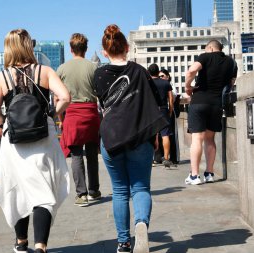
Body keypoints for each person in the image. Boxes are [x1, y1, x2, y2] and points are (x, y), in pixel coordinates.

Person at [0, 28, 71, 253]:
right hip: (42, 136)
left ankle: (21, 242)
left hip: (13, 140)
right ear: (28, 45)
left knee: (17, 189)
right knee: (44, 191)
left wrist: (5, 121)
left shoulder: (1, 76)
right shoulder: (44, 71)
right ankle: (41, 245)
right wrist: (52, 115)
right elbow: (65, 97)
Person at [94, 24, 165, 253]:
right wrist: (154, 134)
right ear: (127, 47)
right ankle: (142, 223)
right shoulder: (139, 70)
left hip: (112, 138)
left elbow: (101, 106)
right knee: (141, 187)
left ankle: (123, 243)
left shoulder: (99, 74)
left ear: (105, 51)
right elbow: (153, 102)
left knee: (120, 190)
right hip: (139, 136)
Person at [57, 33, 101, 207]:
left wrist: (61, 118)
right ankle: (94, 190)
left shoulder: (62, 69)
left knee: (76, 155)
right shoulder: (93, 68)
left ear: (71, 48)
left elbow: (57, 98)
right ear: (86, 49)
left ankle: (81, 194)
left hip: (72, 114)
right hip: (90, 113)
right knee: (91, 154)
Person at [185, 39, 237, 185]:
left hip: (199, 101)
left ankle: (194, 176)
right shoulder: (231, 62)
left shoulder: (206, 56)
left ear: (211, 48)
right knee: (210, 139)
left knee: (197, 139)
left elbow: (191, 70)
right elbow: (231, 83)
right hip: (216, 104)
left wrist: (187, 86)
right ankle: (209, 173)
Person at [148, 64, 173, 168]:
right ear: (158, 72)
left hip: (151, 110)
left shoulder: (147, 83)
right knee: (165, 134)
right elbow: (171, 99)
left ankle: (151, 159)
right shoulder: (165, 83)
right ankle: (166, 158)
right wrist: (170, 111)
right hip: (163, 109)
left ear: (148, 72)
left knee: (151, 135)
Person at [159, 69, 180, 165]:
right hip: (164, 112)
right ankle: (162, 157)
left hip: (170, 113)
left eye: (162, 76)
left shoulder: (170, 85)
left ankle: (174, 157)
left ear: (168, 76)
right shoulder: (162, 85)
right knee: (163, 136)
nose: (161, 78)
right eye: (159, 76)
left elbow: (173, 97)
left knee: (171, 136)